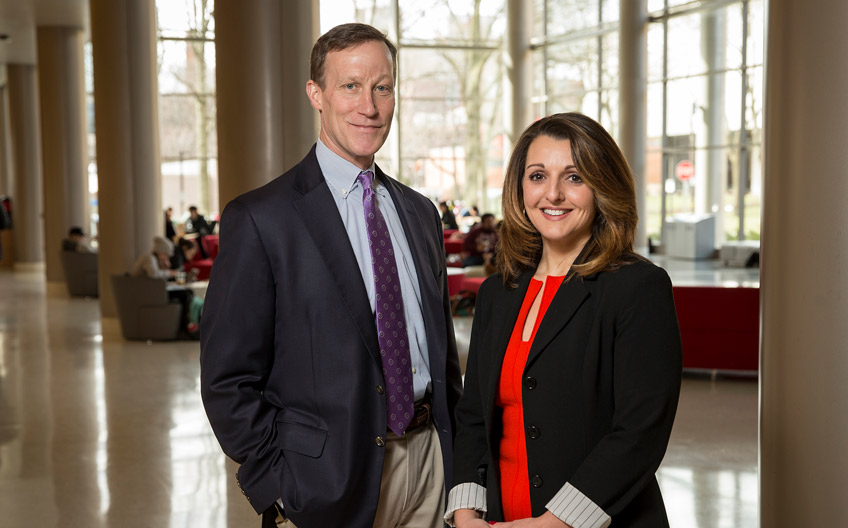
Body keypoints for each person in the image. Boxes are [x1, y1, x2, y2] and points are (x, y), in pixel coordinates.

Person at [200, 23, 462, 528]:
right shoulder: (262, 218)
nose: (369, 105)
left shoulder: (420, 213)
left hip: (432, 470)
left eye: (382, 87)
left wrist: (461, 467)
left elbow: (443, 357)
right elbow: (227, 379)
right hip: (326, 484)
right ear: (316, 94)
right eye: (350, 86)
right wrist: (277, 485)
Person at [447, 113, 682, 527]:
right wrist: (466, 512)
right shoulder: (498, 293)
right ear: (520, 188)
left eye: (574, 178)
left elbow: (639, 433)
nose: (552, 194)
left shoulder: (637, 288)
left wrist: (552, 524)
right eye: (538, 176)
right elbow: (473, 417)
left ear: (602, 188)